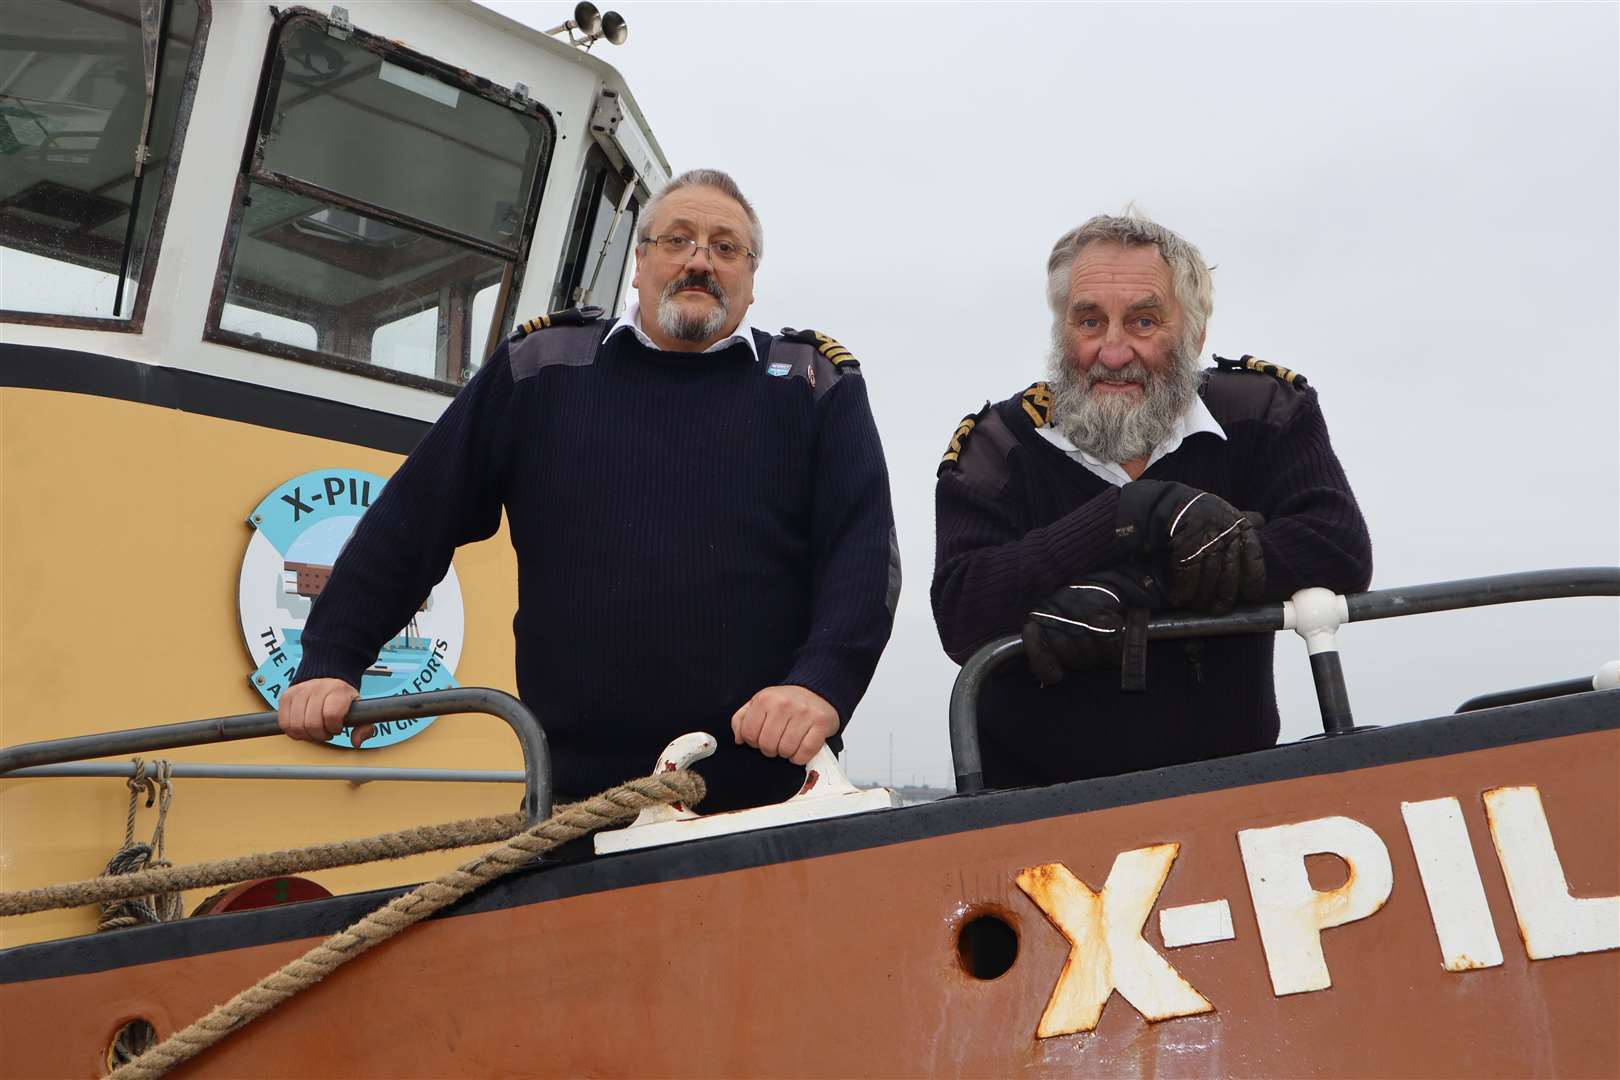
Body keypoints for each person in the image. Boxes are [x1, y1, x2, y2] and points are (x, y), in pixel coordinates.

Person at [278, 169, 900, 812]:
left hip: (771, 790)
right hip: (575, 795)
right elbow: (412, 518)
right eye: (676, 240)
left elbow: (862, 551)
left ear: (750, 279)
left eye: (725, 247)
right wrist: (332, 655)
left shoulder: (811, 384)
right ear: (639, 263)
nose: (699, 260)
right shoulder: (541, 369)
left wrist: (821, 685)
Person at [931, 211, 1372, 788]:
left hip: (1233, 792)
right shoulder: (997, 445)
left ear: (1195, 333)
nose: (1113, 352)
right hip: (1035, 807)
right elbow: (963, 611)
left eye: (1143, 321)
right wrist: (1122, 517)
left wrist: (1138, 585)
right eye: (1089, 321)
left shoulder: (1265, 411)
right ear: (1062, 331)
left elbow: (1337, 546)